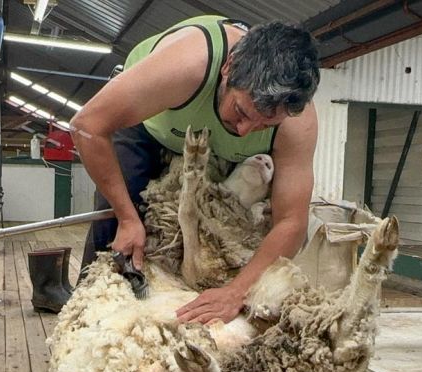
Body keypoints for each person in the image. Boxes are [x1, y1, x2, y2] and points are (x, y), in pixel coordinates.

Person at [70, 15, 320, 325]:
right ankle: (84, 320)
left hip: (218, 150)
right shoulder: (188, 64)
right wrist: (126, 217)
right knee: (118, 235)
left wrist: (237, 291)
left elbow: (292, 221)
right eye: (241, 111)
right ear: (228, 68)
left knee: (227, 238)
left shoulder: (297, 124)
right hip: (150, 124)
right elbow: (87, 127)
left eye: (265, 125)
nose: (245, 131)